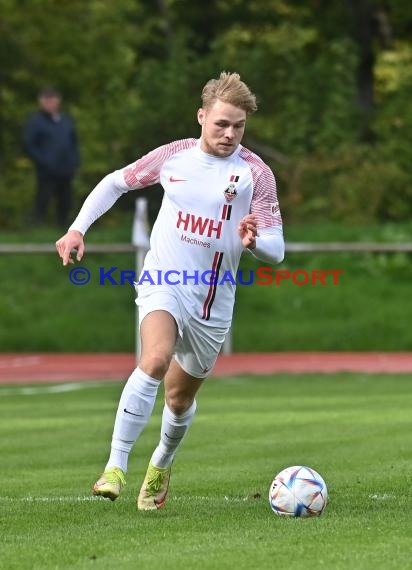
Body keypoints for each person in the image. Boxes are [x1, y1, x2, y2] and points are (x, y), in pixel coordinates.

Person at [55, 72, 285, 510]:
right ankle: (115, 466)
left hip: (212, 301)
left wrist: (257, 244)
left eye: (238, 126)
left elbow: (277, 249)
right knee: (155, 358)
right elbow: (115, 182)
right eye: (221, 123)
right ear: (201, 117)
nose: (230, 133)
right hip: (164, 281)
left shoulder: (256, 173)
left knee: (178, 400)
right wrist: (77, 229)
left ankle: (161, 462)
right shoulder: (173, 157)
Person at [24, 87, 80, 227]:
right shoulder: (35, 122)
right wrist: (44, 161)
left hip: (66, 169)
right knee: (43, 199)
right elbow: (29, 145)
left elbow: (73, 143)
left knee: (65, 200)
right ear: (41, 102)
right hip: (46, 170)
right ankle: (37, 228)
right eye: (47, 100)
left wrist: (74, 161)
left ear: (58, 101)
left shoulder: (65, 121)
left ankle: (64, 228)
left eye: (53, 100)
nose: (50, 103)